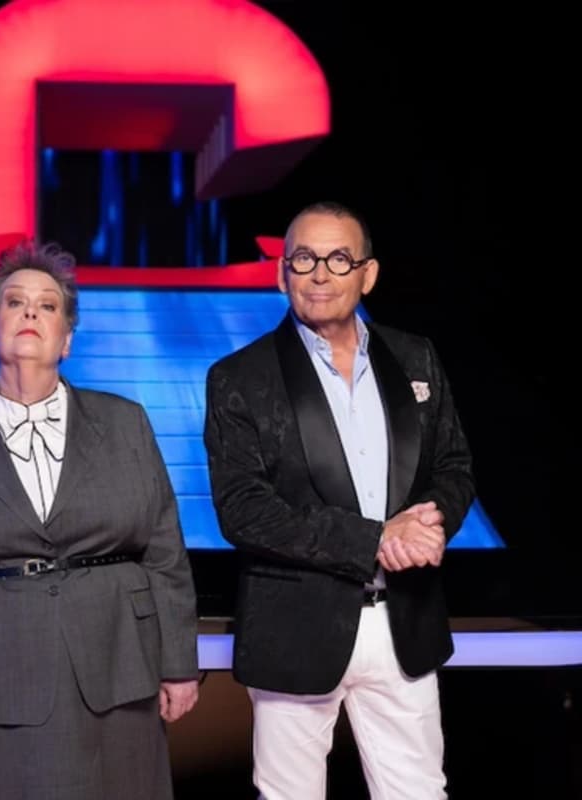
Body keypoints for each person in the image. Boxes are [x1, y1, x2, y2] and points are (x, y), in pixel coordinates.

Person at [0, 239, 199, 799]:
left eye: (48, 305)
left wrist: (179, 663)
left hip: (115, 675)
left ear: (67, 339)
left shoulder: (125, 424)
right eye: (14, 302)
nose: (30, 313)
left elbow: (165, 553)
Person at [204, 201, 474, 799]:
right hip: (295, 626)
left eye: (338, 258)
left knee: (420, 793)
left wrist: (430, 524)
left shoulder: (416, 357)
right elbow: (243, 508)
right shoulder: (238, 378)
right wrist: (376, 539)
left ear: (367, 274)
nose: (320, 273)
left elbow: (454, 468)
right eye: (304, 258)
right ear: (282, 273)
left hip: (405, 621)